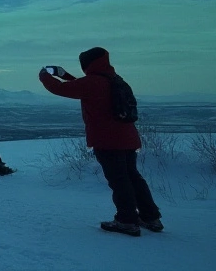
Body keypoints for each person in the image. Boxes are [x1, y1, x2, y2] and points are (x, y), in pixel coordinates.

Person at [39, 47, 162, 237]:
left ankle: (127, 221)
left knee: (119, 181)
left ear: (87, 63)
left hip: (108, 140)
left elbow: (60, 88)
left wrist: (44, 76)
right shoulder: (115, 80)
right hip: (128, 138)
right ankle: (150, 217)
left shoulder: (93, 83)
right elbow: (84, 87)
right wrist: (65, 75)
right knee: (133, 178)